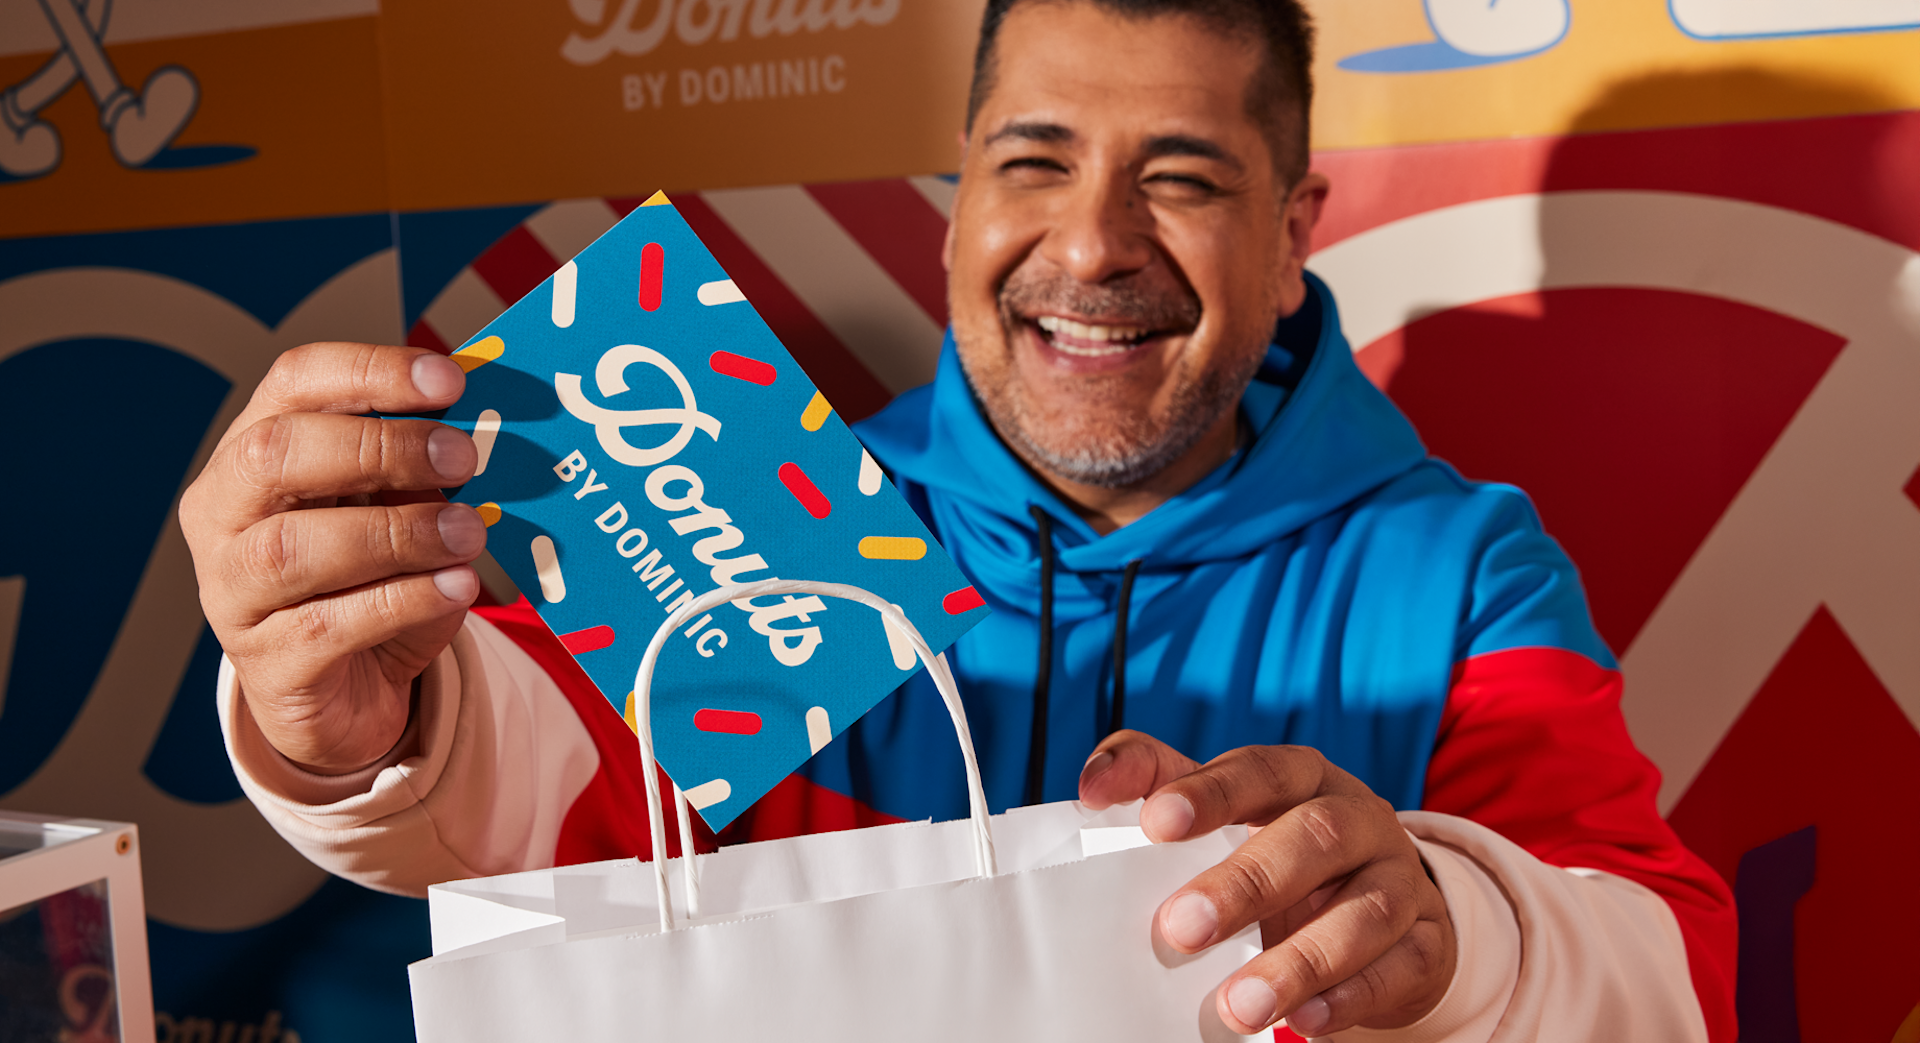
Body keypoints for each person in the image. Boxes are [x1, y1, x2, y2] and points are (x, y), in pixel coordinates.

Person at [180, 0, 1737, 1038]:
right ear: (958, 207)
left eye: (1181, 177)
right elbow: (527, 782)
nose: (1092, 240)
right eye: (1034, 159)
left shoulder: (1457, 566)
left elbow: (1672, 975)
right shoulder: (773, 510)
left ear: (1289, 238)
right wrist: (357, 728)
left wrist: (1460, 931)